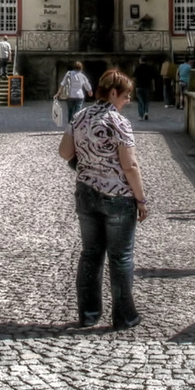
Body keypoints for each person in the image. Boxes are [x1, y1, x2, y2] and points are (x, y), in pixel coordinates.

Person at [58, 68, 150, 330]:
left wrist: (88, 161)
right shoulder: (118, 122)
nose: (128, 100)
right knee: (120, 258)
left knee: (90, 255)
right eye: (125, 95)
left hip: (86, 192)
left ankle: (88, 314)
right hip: (118, 197)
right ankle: (124, 317)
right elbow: (130, 165)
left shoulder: (80, 116)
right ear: (112, 93)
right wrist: (141, 200)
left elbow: (65, 152)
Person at [58, 61, 93, 125]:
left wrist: (58, 92)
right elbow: (87, 84)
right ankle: (76, 124)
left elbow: (63, 83)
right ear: (81, 68)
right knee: (78, 111)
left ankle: (70, 125)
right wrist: (89, 91)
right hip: (79, 95)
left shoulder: (69, 73)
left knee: (70, 111)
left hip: (70, 95)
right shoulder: (82, 76)